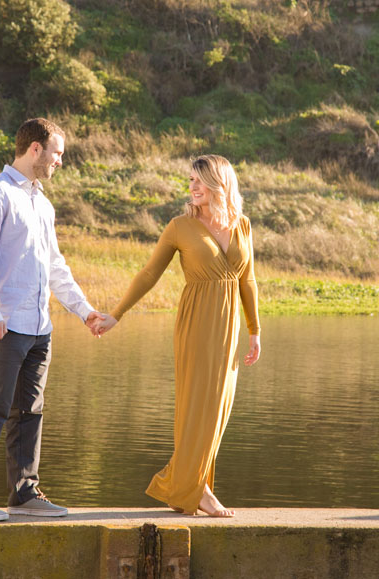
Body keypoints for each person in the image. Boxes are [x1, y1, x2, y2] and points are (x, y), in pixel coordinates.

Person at [0, 117, 107, 522]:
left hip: (39, 327)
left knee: (30, 411)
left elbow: (55, 266)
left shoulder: (43, 203)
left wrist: (84, 310)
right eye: (57, 153)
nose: (59, 162)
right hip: (4, 323)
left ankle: (23, 493)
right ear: (35, 149)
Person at [93, 154, 261, 517]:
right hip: (197, 322)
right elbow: (150, 273)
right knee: (196, 406)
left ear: (220, 182)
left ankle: (186, 485)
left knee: (218, 410)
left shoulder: (242, 225)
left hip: (230, 327)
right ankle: (195, 489)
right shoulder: (180, 226)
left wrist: (254, 330)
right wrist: (116, 314)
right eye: (191, 181)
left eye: (200, 179)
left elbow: (247, 280)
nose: (193, 186)